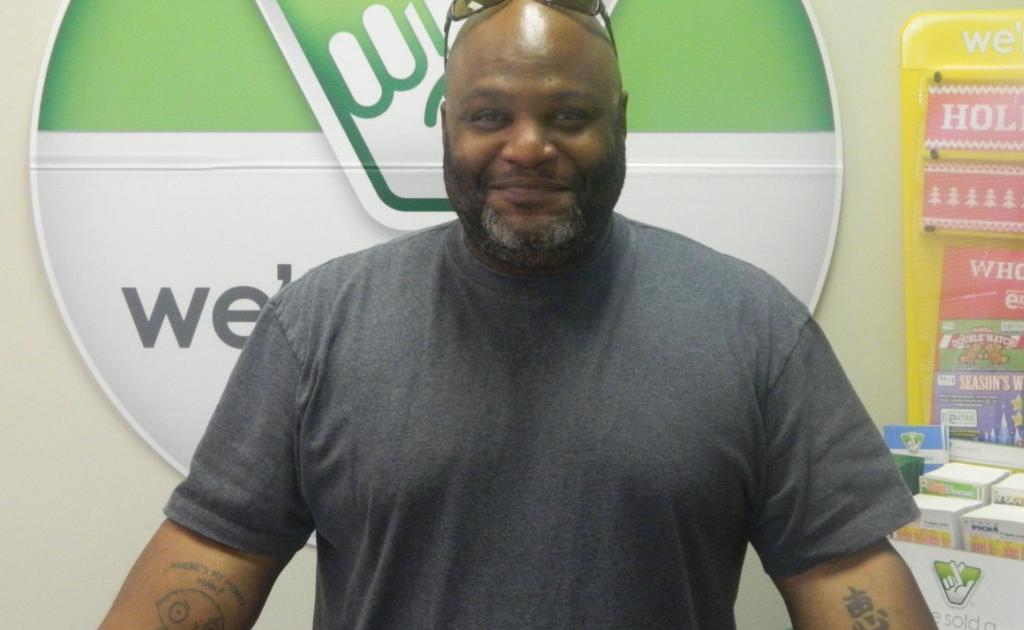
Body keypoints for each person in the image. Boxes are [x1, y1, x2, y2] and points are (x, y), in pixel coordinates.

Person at [101, 1, 935, 628]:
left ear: (620, 122)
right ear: (447, 128)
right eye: (490, 116)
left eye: (567, 115)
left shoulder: (753, 328)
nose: (528, 147)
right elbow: (212, 552)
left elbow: (845, 573)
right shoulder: (318, 325)